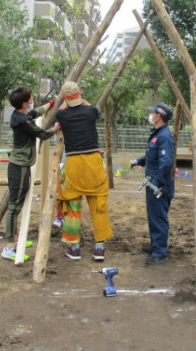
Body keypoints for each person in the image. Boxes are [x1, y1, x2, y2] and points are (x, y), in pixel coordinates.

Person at [56, 81, 113, 261]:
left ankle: (74, 248)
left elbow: (64, 105)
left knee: (73, 206)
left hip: (73, 163)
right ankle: (99, 248)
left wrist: (66, 98)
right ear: (80, 94)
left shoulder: (62, 115)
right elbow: (90, 105)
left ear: (65, 98)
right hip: (93, 162)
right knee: (98, 205)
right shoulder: (91, 112)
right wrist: (79, 97)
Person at [2, 87, 59, 261]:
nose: (33, 100)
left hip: (22, 164)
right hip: (19, 167)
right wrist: (57, 127)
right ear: (24, 103)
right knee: (14, 207)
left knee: (18, 202)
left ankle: (17, 239)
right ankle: (9, 247)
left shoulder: (19, 115)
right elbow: (42, 134)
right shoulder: (23, 122)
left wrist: (50, 105)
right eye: (30, 98)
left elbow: (34, 112)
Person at [130, 102, 175, 265]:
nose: (150, 115)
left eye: (153, 113)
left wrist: (157, 182)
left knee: (158, 217)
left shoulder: (164, 136)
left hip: (159, 186)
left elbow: (166, 162)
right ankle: (156, 245)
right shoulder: (157, 134)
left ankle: (160, 252)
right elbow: (152, 156)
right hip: (153, 184)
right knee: (153, 216)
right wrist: (138, 161)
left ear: (159, 116)